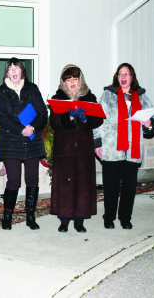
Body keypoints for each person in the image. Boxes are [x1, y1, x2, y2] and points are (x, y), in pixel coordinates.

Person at [94, 63, 154, 229]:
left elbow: (152, 122)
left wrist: (149, 123)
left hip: (133, 150)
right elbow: (98, 121)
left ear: (132, 77)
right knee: (111, 187)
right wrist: (97, 142)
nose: (123, 77)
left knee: (129, 188)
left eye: (126, 74)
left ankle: (125, 218)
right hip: (111, 149)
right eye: (120, 74)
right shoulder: (107, 95)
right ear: (117, 77)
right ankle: (109, 218)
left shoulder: (142, 97)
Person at [0, 57, 47, 230]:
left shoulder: (32, 88)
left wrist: (33, 127)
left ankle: (30, 217)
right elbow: (2, 117)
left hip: (32, 140)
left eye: (16, 68)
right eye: (10, 68)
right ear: (7, 72)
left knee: (33, 179)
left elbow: (42, 113)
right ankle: (7, 217)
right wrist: (21, 129)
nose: (14, 71)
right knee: (14, 181)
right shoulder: (2, 91)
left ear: (22, 70)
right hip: (11, 140)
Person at [50, 64, 103, 233]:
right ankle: (64, 220)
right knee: (65, 185)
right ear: (63, 82)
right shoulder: (58, 98)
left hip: (84, 150)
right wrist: (69, 117)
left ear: (81, 80)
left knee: (82, 184)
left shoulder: (89, 97)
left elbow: (99, 120)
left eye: (75, 79)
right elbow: (54, 122)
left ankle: (79, 220)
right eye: (68, 80)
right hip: (64, 150)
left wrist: (86, 117)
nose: (72, 83)